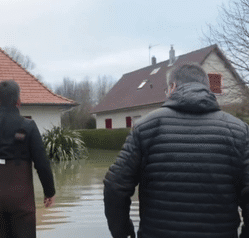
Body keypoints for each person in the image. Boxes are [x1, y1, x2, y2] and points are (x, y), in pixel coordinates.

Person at [103, 63, 249, 238]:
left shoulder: (145, 127)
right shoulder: (239, 131)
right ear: (206, 88)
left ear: (172, 87)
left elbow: (115, 186)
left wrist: (122, 232)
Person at [0, 80, 56, 238]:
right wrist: (49, 192)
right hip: (21, 196)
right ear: (19, 102)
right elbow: (42, 163)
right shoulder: (29, 126)